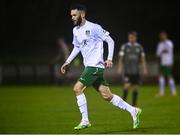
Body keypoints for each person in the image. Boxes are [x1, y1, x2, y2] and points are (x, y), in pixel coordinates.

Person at [60, 4, 142, 130]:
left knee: (77, 89)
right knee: (107, 95)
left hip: (95, 66)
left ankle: (85, 120)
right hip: (89, 66)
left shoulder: (94, 27)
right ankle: (133, 110)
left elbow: (110, 41)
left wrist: (109, 58)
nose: (72, 17)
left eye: (74, 15)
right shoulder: (75, 30)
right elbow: (77, 47)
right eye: (71, 15)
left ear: (82, 14)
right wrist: (67, 61)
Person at [117, 31, 147, 106]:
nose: (131, 39)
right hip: (127, 70)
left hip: (136, 71)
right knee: (126, 86)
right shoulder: (125, 46)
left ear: (135, 38)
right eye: (130, 37)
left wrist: (145, 68)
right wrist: (120, 67)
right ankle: (123, 103)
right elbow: (121, 58)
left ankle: (134, 104)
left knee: (135, 87)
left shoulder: (139, 47)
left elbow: (143, 58)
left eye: (132, 37)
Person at [156, 31, 176, 96]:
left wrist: (171, 62)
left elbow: (171, 53)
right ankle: (162, 92)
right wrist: (161, 50)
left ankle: (173, 92)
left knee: (169, 76)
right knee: (162, 76)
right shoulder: (160, 44)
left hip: (168, 62)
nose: (162, 37)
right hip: (162, 62)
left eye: (163, 35)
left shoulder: (169, 43)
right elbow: (158, 54)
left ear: (166, 36)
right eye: (161, 36)